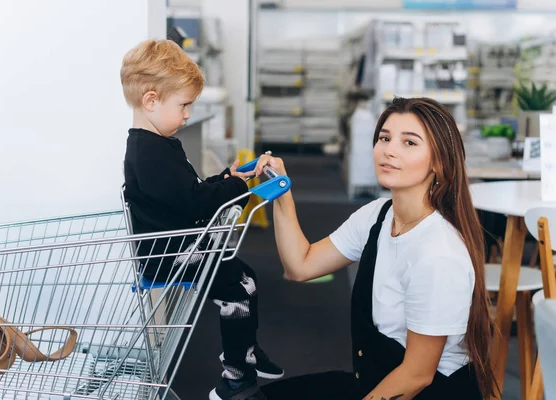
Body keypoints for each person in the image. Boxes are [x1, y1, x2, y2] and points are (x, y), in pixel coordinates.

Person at [254, 97, 497, 400]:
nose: (389, 150)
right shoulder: (378, 215)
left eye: (409, 143)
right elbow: (300, 266)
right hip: (375, 380)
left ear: (439, 162)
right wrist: (281, 191)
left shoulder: (439, 254)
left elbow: (416, 376)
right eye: (384, 138)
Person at [120, 39, 283, 400]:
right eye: (184, 106)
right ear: (151, 101)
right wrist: (233, 190)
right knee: (239, 288)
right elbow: (194, 204)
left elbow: (187, 190)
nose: (188, 115)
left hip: (180, 246)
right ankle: (237, 373)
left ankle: (245, 353)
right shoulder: (149, 153)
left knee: (246, 278)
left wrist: (229, 178)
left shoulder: (157, 144)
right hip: (170, 255)